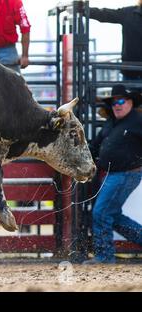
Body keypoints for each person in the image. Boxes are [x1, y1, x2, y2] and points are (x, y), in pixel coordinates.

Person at [83, 84, 142, 264]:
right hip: (115, 173)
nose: (117, 105)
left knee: (101, 212)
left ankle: (104, 256)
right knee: (112, 215)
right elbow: (96, 144)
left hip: (127, 173)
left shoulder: (138, 121)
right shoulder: (111, 123)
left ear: (131, 102)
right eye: (114, 102)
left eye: (121, 101)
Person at [89, 1, 142, 82]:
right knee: (130, 93)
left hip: (131, 71)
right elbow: (105, 14)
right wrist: (85, 10)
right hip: (131, 73)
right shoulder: (128, 13)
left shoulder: (128, 13)